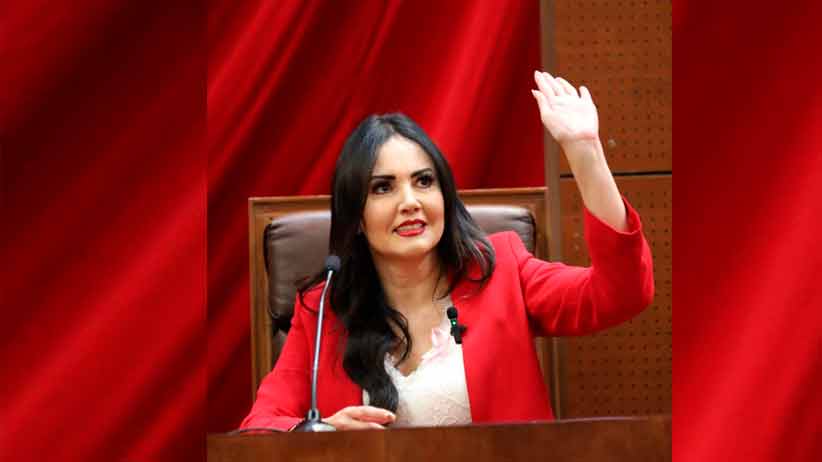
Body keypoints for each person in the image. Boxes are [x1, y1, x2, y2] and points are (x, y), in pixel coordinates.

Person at [241, 71, 654, 431]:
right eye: (383, 187)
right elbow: (259, 428)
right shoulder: (322, 312)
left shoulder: (502, 269)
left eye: (424, 181)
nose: (410, 202)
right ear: (357, 217)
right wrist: (322, 432)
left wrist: (585, 151)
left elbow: (621, 293)